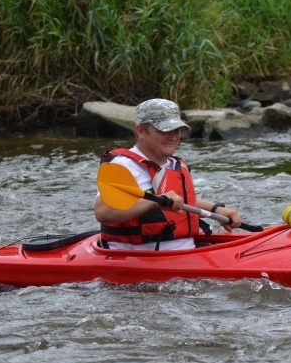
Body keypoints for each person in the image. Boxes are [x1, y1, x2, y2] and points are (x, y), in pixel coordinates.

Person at [94, 98, 243, 250]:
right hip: (139, 257)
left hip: (186, 250)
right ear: (140, 131)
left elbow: (180, 201)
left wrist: (216, 209)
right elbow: (103, 212)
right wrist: (155, 202)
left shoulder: (174, 164)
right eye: (164, 130)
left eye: (176, 129)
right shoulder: (122, 165)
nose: (173, 136)